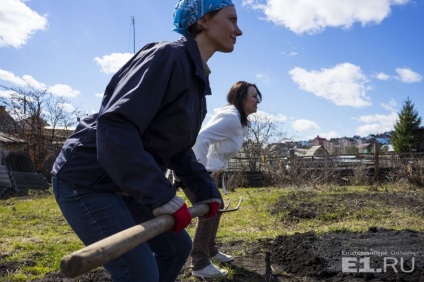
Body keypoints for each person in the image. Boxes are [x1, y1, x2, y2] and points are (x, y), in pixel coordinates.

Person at [50, 1, 243, 281]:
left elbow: (176, 148)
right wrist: (160, 195)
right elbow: (116, 125)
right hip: (88, 179)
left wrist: (205, 190)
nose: (239, 31)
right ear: (202, 21)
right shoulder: (167, 56)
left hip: (125, 182)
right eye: (232, 20)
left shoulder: (196, 81)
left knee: (177, 249)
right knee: (139, 273)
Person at [180, 81, 262, 278]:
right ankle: (199, 264)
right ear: (241, 98)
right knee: (209, 209)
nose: (258, 101)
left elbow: (219, 149)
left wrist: (215, 168)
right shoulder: (232, 118)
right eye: (254, 96)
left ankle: (210, 250)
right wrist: (200, 170)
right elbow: (202, 138)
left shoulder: (238, 120)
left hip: (204, 170)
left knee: (216, 207)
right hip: (192, 170)